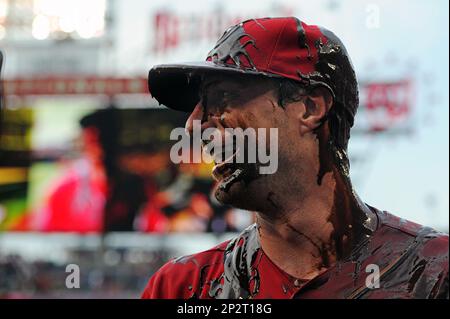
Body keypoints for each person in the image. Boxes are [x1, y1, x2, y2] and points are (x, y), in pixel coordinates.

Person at [142, 17, 448, 299]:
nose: (193, 125)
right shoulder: (182, 288)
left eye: (223, 97)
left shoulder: (432, 273)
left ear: (310, 108)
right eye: (198, 106)